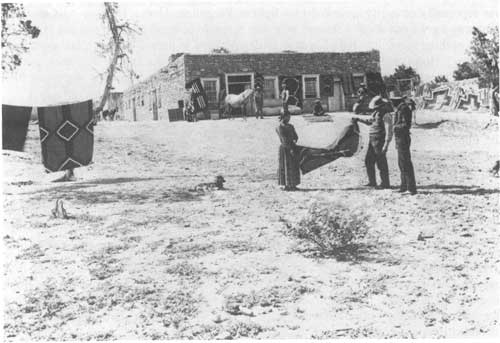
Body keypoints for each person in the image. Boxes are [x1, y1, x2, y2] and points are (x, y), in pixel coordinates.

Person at [354, 95, 393, 189]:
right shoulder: (376, 113)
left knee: (381, 162)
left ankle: (385, 183)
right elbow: (370, 121)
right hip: (372, 140)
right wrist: (358, 119)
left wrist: (386, 144)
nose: (376, 109)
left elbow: (389, 131)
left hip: (380, 140)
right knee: (369, 161)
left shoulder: (386, 115)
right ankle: (372, 182)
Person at [393, 97, 417, 194]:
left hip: (403, 137)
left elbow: (406, 125)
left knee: (405, 163)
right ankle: (404, 186)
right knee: (402, 163)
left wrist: (394, 127)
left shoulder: (403, 109)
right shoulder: (401, 108)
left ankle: (411, 188)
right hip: (400, 138)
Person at [276, 111, 300, 191]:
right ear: (283, 116)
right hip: (285, 148)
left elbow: (296, 137)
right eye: (287, 117)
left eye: (289, 117)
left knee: (293, 166)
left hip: (292, 147)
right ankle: (286, 185)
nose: (289, 119)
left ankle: (293, 184)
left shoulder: (291, 126)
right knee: (285, 166)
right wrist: (290, 147)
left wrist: (294, 142)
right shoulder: (280, 127)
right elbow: (284, 139)